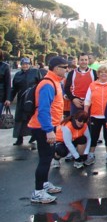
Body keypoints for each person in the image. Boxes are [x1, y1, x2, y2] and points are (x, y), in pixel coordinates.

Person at [28, 56, 67, 204]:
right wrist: (49, 130)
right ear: (56, 68)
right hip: (43, 127)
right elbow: (43, 110)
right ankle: (38, 192)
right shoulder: (48, 84)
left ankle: (44, 184)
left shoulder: (55, 82)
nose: (66, 69)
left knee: (48, 157)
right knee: (45, 159)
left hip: (48, 125)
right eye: (64, 67)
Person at [83, 65, 107, 167]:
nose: (103, 74)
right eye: (101, 72)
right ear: (98, 74)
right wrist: (85, 112)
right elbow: (87, 100)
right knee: (93, 136)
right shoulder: (92, 85)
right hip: (95, 115)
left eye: (106, 72)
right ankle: (91, 155)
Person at [10, 57, 42, 146]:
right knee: (19, 119)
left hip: (32, 100)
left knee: (33, 118)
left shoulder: (35, 72)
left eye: (27, 64)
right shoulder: (17, 75)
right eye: (23, 64)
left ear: (30, 64)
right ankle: (19, 138)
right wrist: (9, 99)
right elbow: (14, 89)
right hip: (21, 100)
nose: (25, 65)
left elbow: (42, 84)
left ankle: (34, 136)